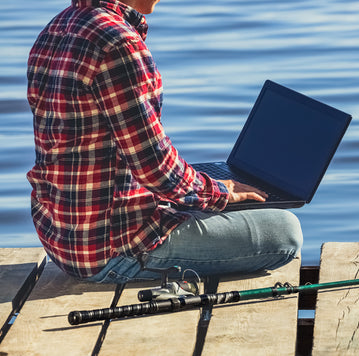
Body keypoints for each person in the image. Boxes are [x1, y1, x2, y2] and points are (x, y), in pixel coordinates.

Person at [26, 0, 303, 284]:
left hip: (62, 237)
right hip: (111, 250)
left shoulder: (60, 26)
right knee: (283, 231)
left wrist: (199, 188)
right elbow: (154, 167)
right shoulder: (119, 44)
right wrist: (217, 192)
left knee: (205, 197)